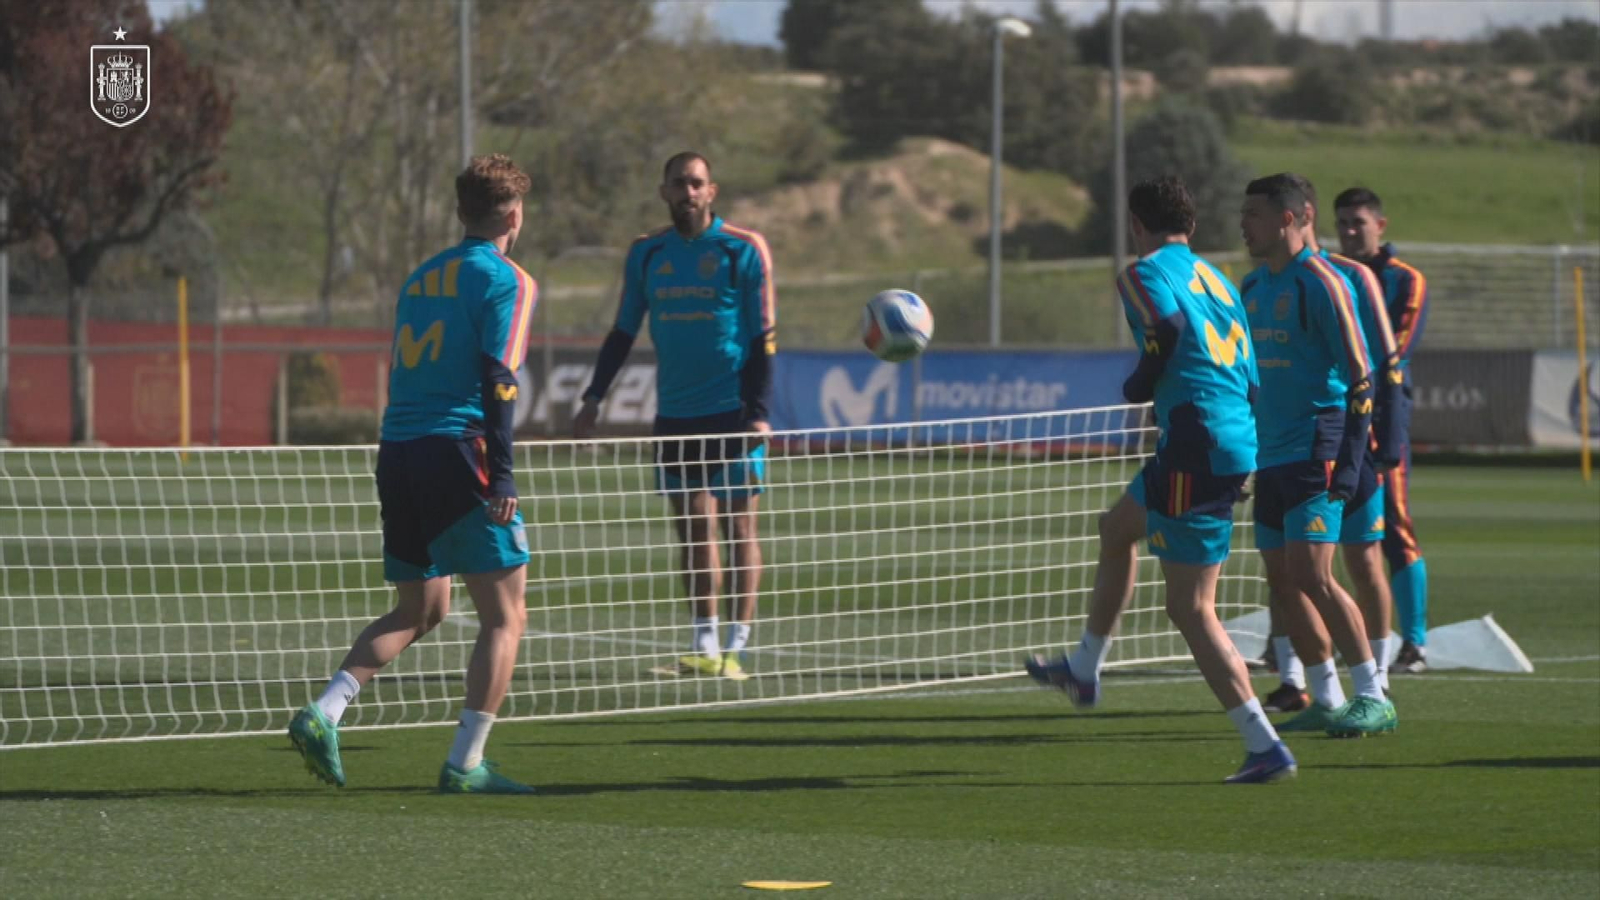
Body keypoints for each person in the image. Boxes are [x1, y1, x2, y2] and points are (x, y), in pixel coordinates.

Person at [1026, 175, 1294, 784]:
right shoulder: (1218, 280)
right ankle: (1085, 666)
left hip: (1196, 442)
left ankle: (1264, 743)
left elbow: (1165, 331)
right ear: (1192, 227)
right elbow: (1251, 376)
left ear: (1136, 225)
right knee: (1116, 529)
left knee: (1191, 608)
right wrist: (1240, 450)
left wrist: (1138, 386)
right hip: (1223, 435)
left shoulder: (1143, 273)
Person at [287, 154, 538, 794]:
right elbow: (499, 381)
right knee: (505, 617)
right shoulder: (508, 279)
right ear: (515, 214)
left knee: (423, 606)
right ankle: (465, 764)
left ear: (461, 211)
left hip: (397, 450)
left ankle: (326, 710)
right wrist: (502, 476)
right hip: (458, 451)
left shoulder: (422, 275)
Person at [574, 151, 776, 682]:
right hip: (675, 413)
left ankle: (737, 649)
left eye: (697, 183)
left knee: (737, 527)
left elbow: (762, 336)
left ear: (712, 191)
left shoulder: (742, 249)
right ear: (663, 192)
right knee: (691, 528)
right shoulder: (647, 254)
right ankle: (704, 644)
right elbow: (623, 331)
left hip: (733, 411)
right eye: (679, 184)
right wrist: (594, 397)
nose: (688, 193)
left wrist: (757, 412)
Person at [1238, 173, 1396, 738]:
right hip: (1269, 452)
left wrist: (1353, 460)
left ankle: (1374, 693)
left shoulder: (1324, 282)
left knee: (1314, 572)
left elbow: (1362, 374)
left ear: (1288, 217)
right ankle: (1326, 695)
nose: (1242, 227)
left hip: (1317, 445)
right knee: (1282, 580)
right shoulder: (1251, 289)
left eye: (1252, 215)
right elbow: (1246, 380)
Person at [1335, 186, 1432, 674]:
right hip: (1331, 415)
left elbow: (1394, 350)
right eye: (1344, 223)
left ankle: (1413, 643)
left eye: (1358, 222)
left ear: (1381, 225)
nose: (1351, 232)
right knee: (1304, 528)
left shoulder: (1406, 281)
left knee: (1394, 525)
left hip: (1380, 418)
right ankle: (1288, 642)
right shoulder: (1328, 274)